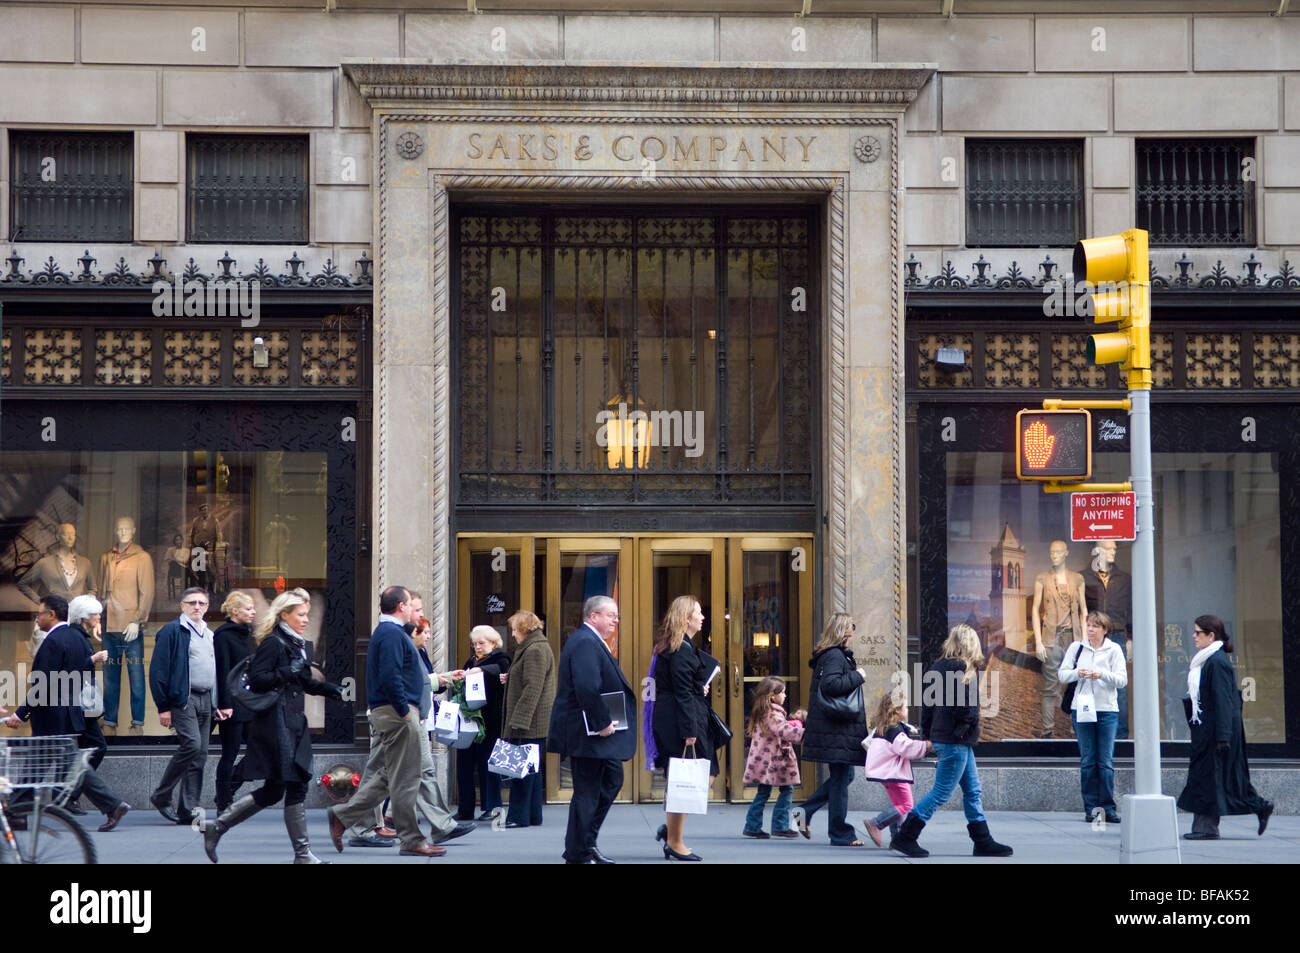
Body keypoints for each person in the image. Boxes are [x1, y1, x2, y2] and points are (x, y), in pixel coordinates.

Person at [203, 589, 344, 863]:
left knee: (277, 789)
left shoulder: (294, 643)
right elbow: (258, 679)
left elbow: (302, 681)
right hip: (275, 723)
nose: (306, 619)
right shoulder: (274, 643)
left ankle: (218, 827)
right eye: (300, 614)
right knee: (292, 785)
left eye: (307, 614)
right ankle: (301, 854)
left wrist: (329, 689)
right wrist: (286, 672)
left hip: (291, 722)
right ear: (284, 615)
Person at [327, 586, 445, 857]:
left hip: (394, 711)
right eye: (413, 606)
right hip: (397, 713)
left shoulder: (389, 633)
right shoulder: (391, 634)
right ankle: (412, 840)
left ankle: (343, 816)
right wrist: (404, 710)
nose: (418, 611)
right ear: (401, 607)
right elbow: (390, 676)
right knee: (407, 777)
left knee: (391, 775)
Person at [2, 594, 130, 833]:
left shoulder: (54, 641)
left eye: (39, 614)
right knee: (63, 764)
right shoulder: (79, 639)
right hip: (70, 713)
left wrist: (21, 714)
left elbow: (44, 685)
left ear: (52, 615)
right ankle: (112, 805)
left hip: (52, 714)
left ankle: (15, 813)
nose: (36, 619)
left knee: (37, 765)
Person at [890, 624, 1012, 858]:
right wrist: (964, 728)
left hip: (948, 738)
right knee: (941, 793)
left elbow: (928, 706)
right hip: (956, 741)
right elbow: (965, 707)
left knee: (973, 790)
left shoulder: (938, 666)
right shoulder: (963, 669)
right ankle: (906, 836)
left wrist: (929, 735)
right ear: (971, 644)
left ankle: (982, 840)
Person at [548, 594, 637, 864]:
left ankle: (585, 842)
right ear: (593, 616)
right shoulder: (586, 641)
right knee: (588, 791)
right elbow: (587, 687)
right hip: (588, 732)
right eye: (611, 615)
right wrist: (601, 723)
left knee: (611, 779)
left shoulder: (591, 641)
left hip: (593, 734)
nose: (616, 621)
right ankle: (579, 852)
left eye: (617, 616)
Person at [1177, 614, 1274, 840]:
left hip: (1216, 732)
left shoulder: (1217, 663)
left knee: (1210, 778)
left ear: (1211, 636)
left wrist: (1223, 737)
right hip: (1210, 730)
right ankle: (1259, 806)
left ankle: (1206, 828)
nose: (1194, 636)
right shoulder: (1208, 660)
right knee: (1222, 778)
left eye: (1198, 632)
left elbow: (1223, 701)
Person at [147, 587, 221, 824]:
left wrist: (217, 702)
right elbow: (158, 671)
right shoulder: (171, 631)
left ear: (207, 607)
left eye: (201, 603)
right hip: (184, 699)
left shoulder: (210, 634)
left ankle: (187, 809)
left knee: (200, 755)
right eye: (191, 603)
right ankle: (161, 795)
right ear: (182, 605)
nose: (196, 607)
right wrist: (163, 706)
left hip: (206, 699)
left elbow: (215, 670)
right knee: (192, 744)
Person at [650, 595, 715, 861]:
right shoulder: (678, 648)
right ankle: (675, 841)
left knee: (697, 776)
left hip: (680, 717)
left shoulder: (682, 646)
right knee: (684, 779)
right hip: (679, 721)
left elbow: (685, 686)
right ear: (686, 617)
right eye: (698, 613)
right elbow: (681, 693)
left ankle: (671, 830)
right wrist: (689, 731)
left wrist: (700, 687)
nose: (702, 617)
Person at [795, 612, 867, 846]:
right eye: (852, 626)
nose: (854, 631)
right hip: (836, 728)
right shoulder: (835, 656)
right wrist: (858, 676)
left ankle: (805, 810)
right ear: (844, 631)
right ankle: (840, 832)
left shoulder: (830, 655)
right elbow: (832, 685)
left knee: (845, 775)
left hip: (834, 728)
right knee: (840, 778)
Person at [1059, 610, 1128, 824]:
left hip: (1107, 709)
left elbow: (1121, 680)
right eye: (1088, 625)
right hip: (1082, 708)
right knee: (1088, 760)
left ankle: (1109, 808)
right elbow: (1062, 674)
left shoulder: (1114, 649)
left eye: (1095, 626)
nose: (1090, 629)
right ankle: (1091, 809)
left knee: (1105, 761)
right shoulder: (1077, 647)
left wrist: (1100, 674)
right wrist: (1078, 672)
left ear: (1104, 630)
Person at [98, 516, 154, 736]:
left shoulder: (142, 558)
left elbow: (147, 592)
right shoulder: (106, 558)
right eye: (119, 529)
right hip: (109, 625)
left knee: (136, 676)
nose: (123, 532)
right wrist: (97, 619)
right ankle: (110, 722)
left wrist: (138, 620)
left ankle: (137, 722)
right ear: (115, 530)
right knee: (110, 677)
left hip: (131, 627)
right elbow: (102, 592)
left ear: (133, 531)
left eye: (126, 529)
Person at [502, 609, 556, 828]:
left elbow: (532, 688)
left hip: (529, 721)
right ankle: (533, 815)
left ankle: (518, 816)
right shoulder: (535, 647)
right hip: (534, 720)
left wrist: (519, 720)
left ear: (524, 629)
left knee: (522, 771)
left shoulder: (534, 649)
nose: (513, 634)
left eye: (515, 630)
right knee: (531, 769)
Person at [454, 625, 511, 820]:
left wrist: (479, 669)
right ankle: (465, 809)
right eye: (475, 644)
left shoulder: (500, 658)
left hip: (490, 721)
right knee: (464, 764)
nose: (477, 647)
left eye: (481, 643)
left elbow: (500, 669)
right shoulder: (471, 660)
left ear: (493, 643)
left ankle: (492, 807)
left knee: (489, 764)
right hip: (469, 720)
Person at [861, 689, 931, 848]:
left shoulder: (887, 727)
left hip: (888, 774)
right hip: (894, 774)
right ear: (897, 710)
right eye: (905, 707)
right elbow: (906, 748)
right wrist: (926, 746)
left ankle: (896, 838)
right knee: (906, 805)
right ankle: (876, 823)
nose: (907, 710)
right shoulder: (895, 730)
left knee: (898, 806)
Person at [1032, 540, 1087, 738]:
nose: (1054, 555)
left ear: (1066, 553)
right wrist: (1038, 642)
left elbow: (1083, 611)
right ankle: (1048, 730)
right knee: (1050, 686)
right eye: (1051, 552)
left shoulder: (1077, 579)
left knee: (1075, 684)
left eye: (1058, 552)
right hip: (1051, 639)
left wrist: (1085, 641)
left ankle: (1076, 727)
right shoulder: (1042, 579)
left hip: (1074, 638)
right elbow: (1035, 611)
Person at [741, 676, 806, 840]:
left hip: (769, 758)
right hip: (773, 760)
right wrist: (806, 734)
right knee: (785, 789)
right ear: (772, 695)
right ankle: (777, 826)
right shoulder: (772, 713)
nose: (785, 695)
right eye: (782, 692)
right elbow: (783, 730)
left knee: (765, 792)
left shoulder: (766, 711)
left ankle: (754, 826)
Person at [213, 590, 256, 814]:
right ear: (235, 610)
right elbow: (223, 671)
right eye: (249, 608)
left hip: (248, 702)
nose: (253, 612)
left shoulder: (247, 634)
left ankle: (227, 790)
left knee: (257, 748)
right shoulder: (223, 636)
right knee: (229, 752)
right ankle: (223, 801)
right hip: (232, 704)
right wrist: (224, 704)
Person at [16, 523, 96, 603]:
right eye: (66, 534)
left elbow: (93, 589)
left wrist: (86, 604)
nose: (70, 538)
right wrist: (41, 602)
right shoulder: (45, 563)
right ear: (58, 536)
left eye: (73, 534)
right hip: (54, 612)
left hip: (77, 612)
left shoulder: (85, 563)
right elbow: (22, 584)